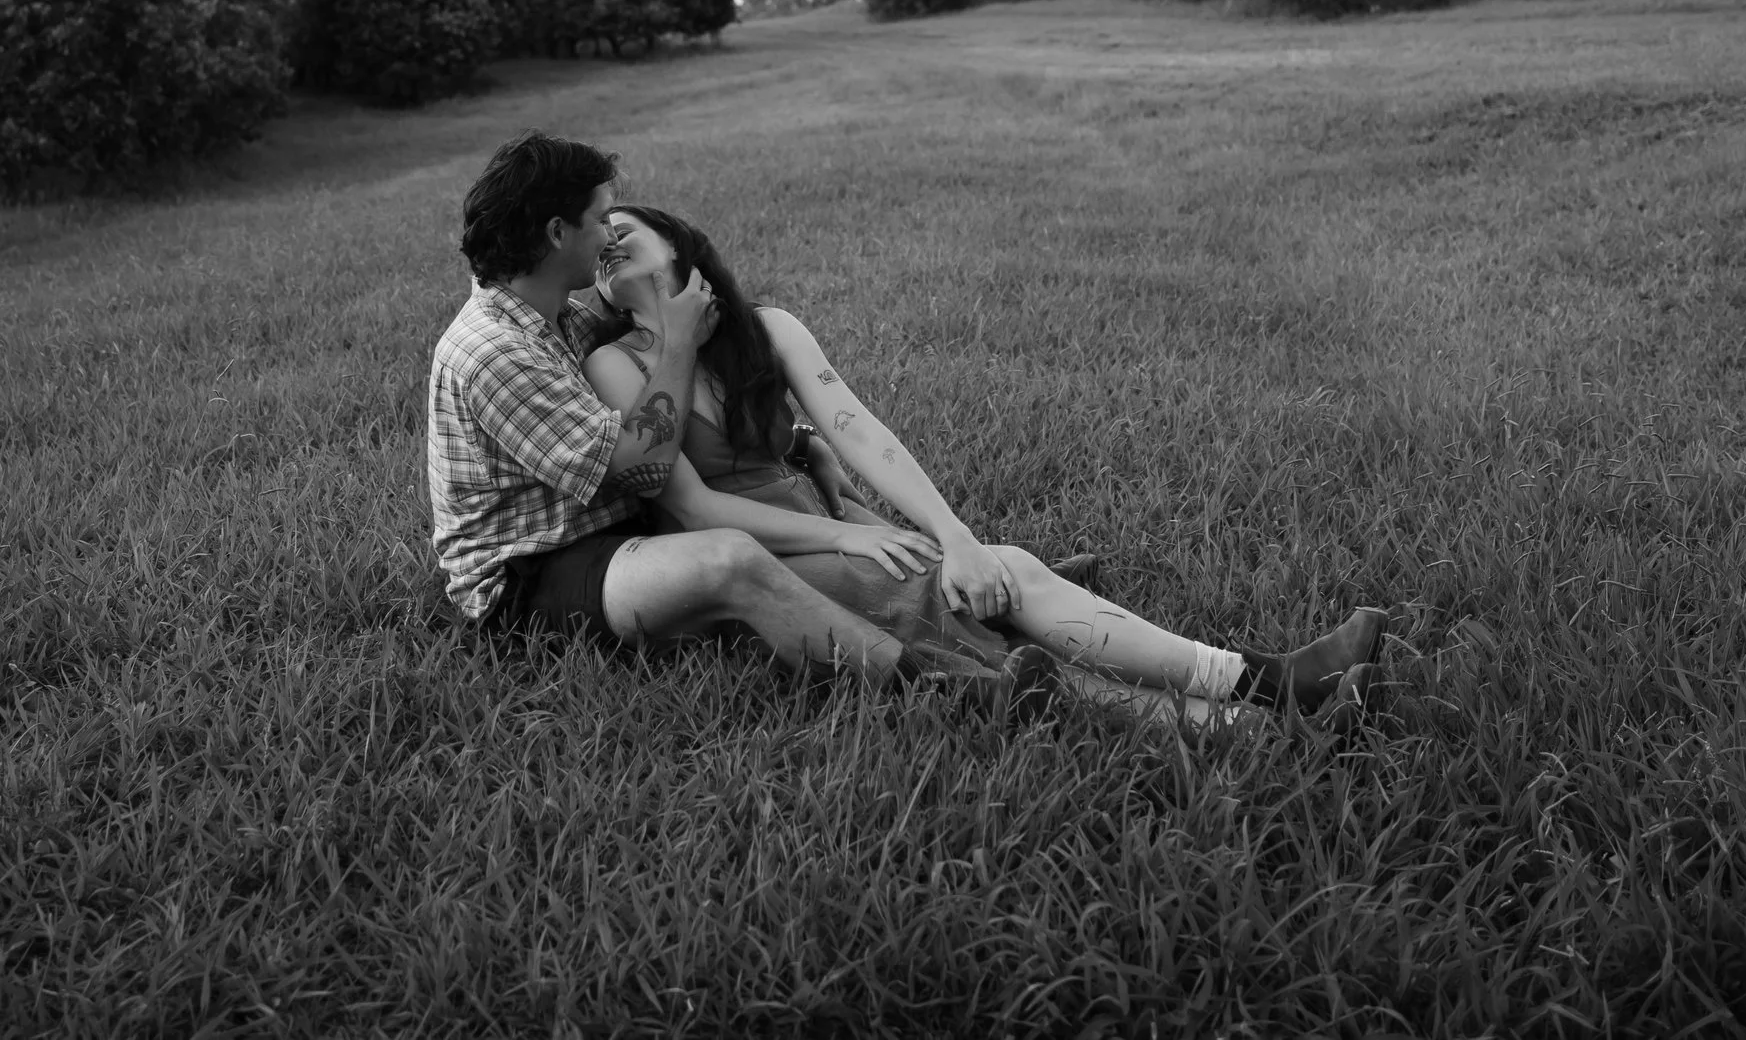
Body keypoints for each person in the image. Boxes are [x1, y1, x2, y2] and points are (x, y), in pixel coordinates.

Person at [583, 204, 1386, 727]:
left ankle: (1261, 692)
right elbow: (692, 511)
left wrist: (951, 531)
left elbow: (860, 433)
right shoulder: (616, 366)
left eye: (625, 226)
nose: (607, 242)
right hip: (767, 561)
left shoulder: (769, 328)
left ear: (681, 243)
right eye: (597, 244)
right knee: (987, 610)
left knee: (992, 570)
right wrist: (850, 540)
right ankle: (1262, 708)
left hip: (826, 530)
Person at [425, 132, 1065, 712]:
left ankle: (988, 597)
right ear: (559, 233)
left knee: (776, 553)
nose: (609, 240)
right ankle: (941, 690)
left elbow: (685, 411)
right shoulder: (492, 349)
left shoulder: (566, 316)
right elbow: (636, 464)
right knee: (727, 558)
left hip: (612, 535)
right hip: (528, 577)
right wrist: (675, 343)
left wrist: (801, 444)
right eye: (599, 222)